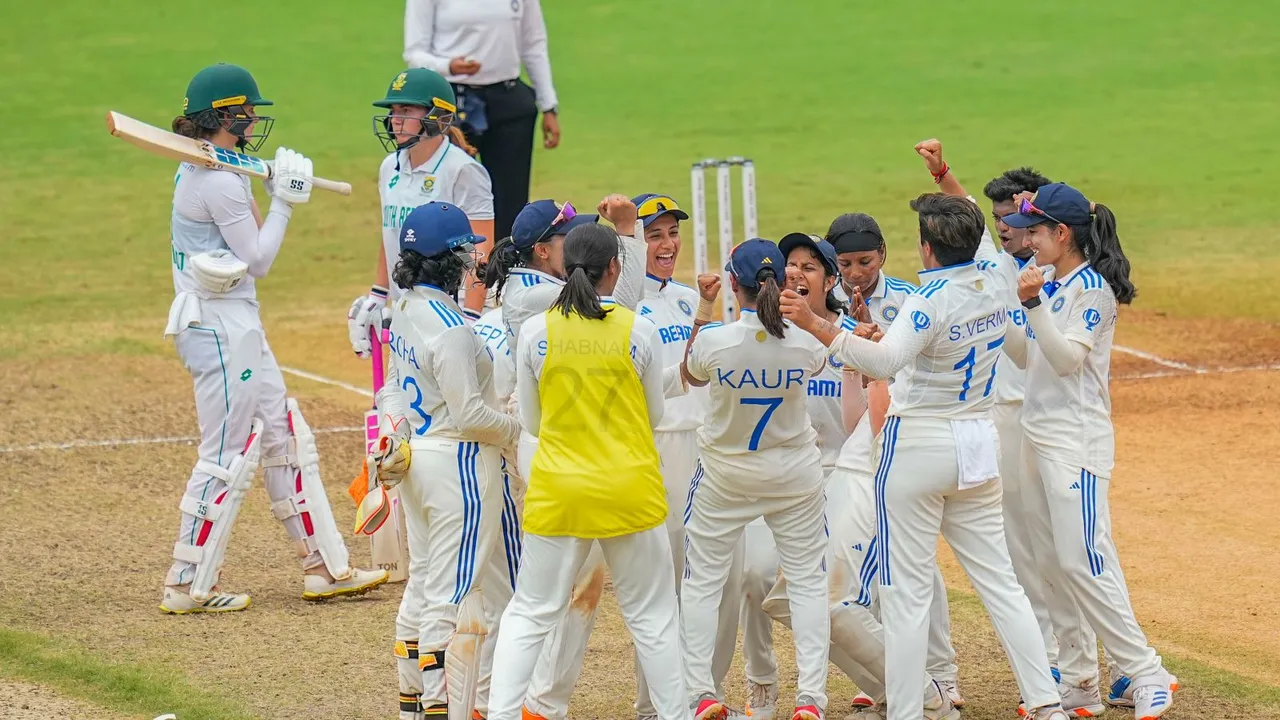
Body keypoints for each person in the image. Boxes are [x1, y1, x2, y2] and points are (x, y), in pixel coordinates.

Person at [781, 193, 1069, 720]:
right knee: (1000, 583)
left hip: (916, 446)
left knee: (905, 593)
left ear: (925, 247)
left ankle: (908, 712)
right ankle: (1048, 703)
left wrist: (822, 327)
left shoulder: (928, 299)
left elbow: (886, 360)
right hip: (977, 446)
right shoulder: (997, 283)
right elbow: (1013, 340)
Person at [160, 63, 387, 614]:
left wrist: (265, 184)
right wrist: (284, 202)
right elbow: (258, 258)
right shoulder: (213, 180)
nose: (253, 121)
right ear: (224, 116)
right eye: (246, 113)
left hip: (234, 321)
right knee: (226, 453)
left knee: (285, 435)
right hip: (218, 326)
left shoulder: (212, 168)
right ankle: (186, 583)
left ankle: (323, 568)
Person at [489, 223, 685, 720]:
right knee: (654, 621)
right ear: (614, 270)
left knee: (530, 614)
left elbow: (531, 422)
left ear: (564, 266)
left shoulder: (536, 331)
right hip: (630, 490)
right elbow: (655, 416)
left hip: (559, 490)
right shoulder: (638, 329)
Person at [1001, 184, 1178, 720]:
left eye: (1034, 230)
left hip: (1075, 441)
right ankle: (1079, 682)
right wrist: (1013, 305)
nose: (1024, 238)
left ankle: (1147, 672)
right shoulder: (1049, 281)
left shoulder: (1093, 292)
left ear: (1063, 233)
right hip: (1035, 434)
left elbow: (1064, 361)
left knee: (1084, 559)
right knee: (1050, 562)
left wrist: (1031, 304)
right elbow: (1020, 353)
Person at [376, 202, 521, 719]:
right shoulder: (453, 329)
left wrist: (392, 435)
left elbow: (391, 387)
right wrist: (517, 431)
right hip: (460, 465)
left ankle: (413, 707)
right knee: (451, 597)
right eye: (465, 254)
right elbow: (472, 415)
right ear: (451, 260)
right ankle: (442, 710)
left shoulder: (403, 308)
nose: (470, 263)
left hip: (418, 462)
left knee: (421, 587)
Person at [680, 239, 830, 720]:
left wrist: (703, 313)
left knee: (702, 582)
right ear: (783, 283)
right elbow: (824, 347)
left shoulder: (714, 342)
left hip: (726, 476)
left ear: (731, 284)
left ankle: (701, 692)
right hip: (793, 475)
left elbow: (692, 375)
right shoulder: (807, 342)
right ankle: (811, 698)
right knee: (807, 582)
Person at [824, 211, 965, 705]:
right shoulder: (826, 299)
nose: (856, 271)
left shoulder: (910, 299)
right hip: (851, 447)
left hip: (901, 443)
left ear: (883, 254)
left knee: (916, 565)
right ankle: (891, 676)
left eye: (865, 260)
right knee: (866, 572)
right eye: (845, 262)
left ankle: (941, 673)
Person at [737, 232, 853, 719]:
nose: (795, 273)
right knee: (753, 574)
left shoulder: (851, 336)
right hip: (778, 473)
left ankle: (848, 684)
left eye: (809, 266)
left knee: (835, 588)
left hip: (840, 477)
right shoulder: (771, 330)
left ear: (830, 279)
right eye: (790, 265)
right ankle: (761, 680)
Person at [347, 66, 495, 366]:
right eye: (393, 110)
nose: (395, 119)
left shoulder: (463, 171)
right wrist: (378, 294)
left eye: (406, 109)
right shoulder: (390, 166)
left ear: (437, 117)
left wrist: (471, 317)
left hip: (450, 309)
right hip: (407, 307)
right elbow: (391, 231)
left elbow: (480, 250)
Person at [404, 0, 561, 245]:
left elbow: (533, 45)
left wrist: (548, 105)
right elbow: (414, 53)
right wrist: (448, 66)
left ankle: (505, 273)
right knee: (447, 193)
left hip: (508, 99)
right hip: (451, 100)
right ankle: (446, 270)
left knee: (511, 200)